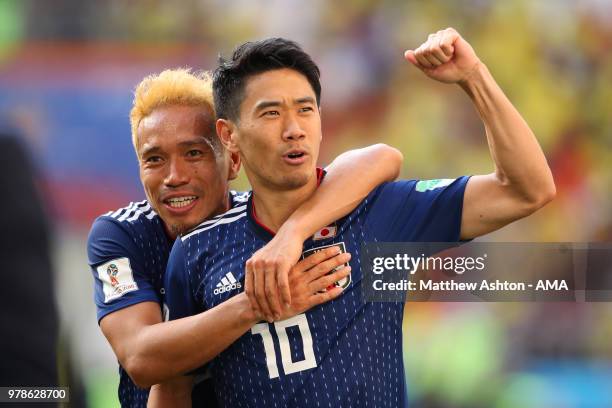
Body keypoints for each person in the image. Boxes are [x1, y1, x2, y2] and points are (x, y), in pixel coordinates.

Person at [161, 28, 555, 407]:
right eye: (270, 113)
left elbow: (526, 190)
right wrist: (251, 306)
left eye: (305, 110)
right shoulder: (197, 250)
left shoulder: (379, 213)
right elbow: (173, 387)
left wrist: (473, 77)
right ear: (229, 135)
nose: (294, 129)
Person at [86, 68, 403, 407]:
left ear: (233, 159)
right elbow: (140, 358)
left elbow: (381, 158)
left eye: (194, 153)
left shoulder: (269, 221)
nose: (174, 177)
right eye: (155, 160)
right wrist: (261, 300)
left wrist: (293, 233)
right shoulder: (121, 234)